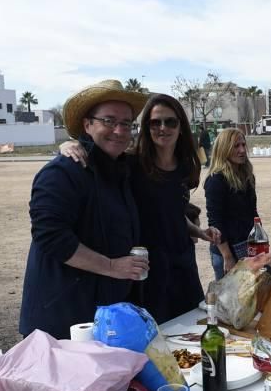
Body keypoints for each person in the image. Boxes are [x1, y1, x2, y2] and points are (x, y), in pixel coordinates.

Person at [61, 94, 220, 324]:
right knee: (155, 335)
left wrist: (200, 232)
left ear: (181, 127)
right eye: (155, 122)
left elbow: (172, 214)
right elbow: (95, 155)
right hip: (147, 268)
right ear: (146, 127)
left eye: (170, 122)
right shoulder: (131, 164)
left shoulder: (184, 165)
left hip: (182, 263)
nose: (162, 128)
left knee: (190, 328)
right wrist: (68, 144)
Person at [18, 79, 150, 340]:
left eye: (126, 123)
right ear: (88, 125)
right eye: (109, 121)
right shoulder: (63, 171)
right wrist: (112, 266)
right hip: (64, 322)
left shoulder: (121, 170)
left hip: (105, 318)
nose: (119, 130)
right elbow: (50, 236)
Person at [204, 128, 259, 279]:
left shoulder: (247, 177)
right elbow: (215, 222)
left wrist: (259, 241)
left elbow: (253, 213)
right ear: (224, 149)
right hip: (226, 251)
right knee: (228, 300)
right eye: (236, 146)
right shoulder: (216, 180)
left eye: (243, 145)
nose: (242, 150)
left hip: (248, 247)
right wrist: (228, 257)